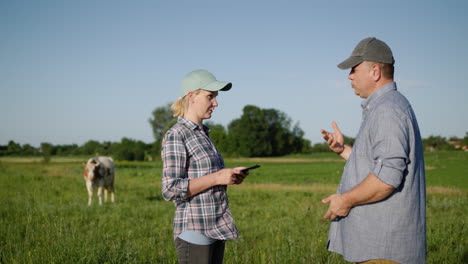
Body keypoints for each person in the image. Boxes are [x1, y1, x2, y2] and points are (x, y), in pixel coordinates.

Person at [320, 37, 426, 264]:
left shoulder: (388, 110)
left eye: (354, 69)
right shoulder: (385, 106)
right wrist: (343, 150)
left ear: (375, 71)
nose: (349, 76)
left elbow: (387, 177)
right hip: (377, 246)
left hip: (384, 249)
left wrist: (345, 200)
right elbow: (379, 165)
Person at [161, 69, 248, 264]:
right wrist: (217, 177)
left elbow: (206, 178)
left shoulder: (202, 135)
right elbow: (170, 189)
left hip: (215, 227)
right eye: (210, 97)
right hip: (195, 231)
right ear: (191, 96)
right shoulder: (177, 134)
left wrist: (230, 176)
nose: (216, 103)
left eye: (215, 97)